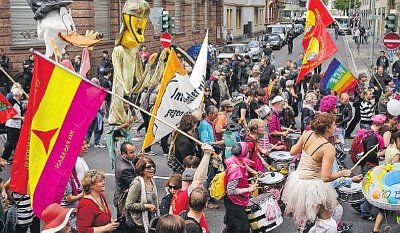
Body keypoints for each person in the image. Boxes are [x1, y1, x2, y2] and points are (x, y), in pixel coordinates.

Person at [282, 113, 352, 231]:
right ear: (327, 127)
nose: (336, 127)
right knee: (329, 223)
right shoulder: (328, 148)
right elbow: (326, 177)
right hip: (312, 186)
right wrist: (342, 173)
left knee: (312, 217)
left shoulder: (307, 134)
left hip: (298, 182)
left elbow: (292, 152)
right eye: (334, 124)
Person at [170, 144, 214, 233]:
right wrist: (206, 154)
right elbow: (198, 180)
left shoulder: (177, 194)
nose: (201, 187)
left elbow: (170, 213)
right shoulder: (185, 195)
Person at [223, 142, 257, 233]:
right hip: (233, 201)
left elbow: (245, 165)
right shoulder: (235, 170)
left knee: (232, 224)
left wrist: (255, 173)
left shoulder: (237, 159)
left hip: (237, 199)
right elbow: (230, 190)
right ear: (245, 154)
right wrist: (249, 189)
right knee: (242, 228)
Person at [125, 157, 160, 232]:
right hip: (139, 225)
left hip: (151, 219)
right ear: (141, 169)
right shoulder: (137, 183)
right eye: (148, 167)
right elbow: (128, 205)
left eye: (153, 166)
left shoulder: (151, 180)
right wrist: (146, 206)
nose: (152, 169)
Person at [114, 142, 138, 214]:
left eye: (134, 151)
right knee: (124, 222)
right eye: (131, 152)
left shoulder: (121, 157)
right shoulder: (124, 169)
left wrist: (137, 158)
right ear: (124, 153)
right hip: (123, 200)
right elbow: (135, 183)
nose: (134, 154)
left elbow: (130, 162)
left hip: (122, 196)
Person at [2, 88, 24, 161]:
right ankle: (10, 158)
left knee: (12, 142)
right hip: (12, 125)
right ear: (18, 95)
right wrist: (21, 118)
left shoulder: (18, 102)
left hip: (17, 125)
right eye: (21, 95)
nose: (22, 96)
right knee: (13, 142)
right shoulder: (12, 103)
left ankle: (5, 158)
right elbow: (10, 115)